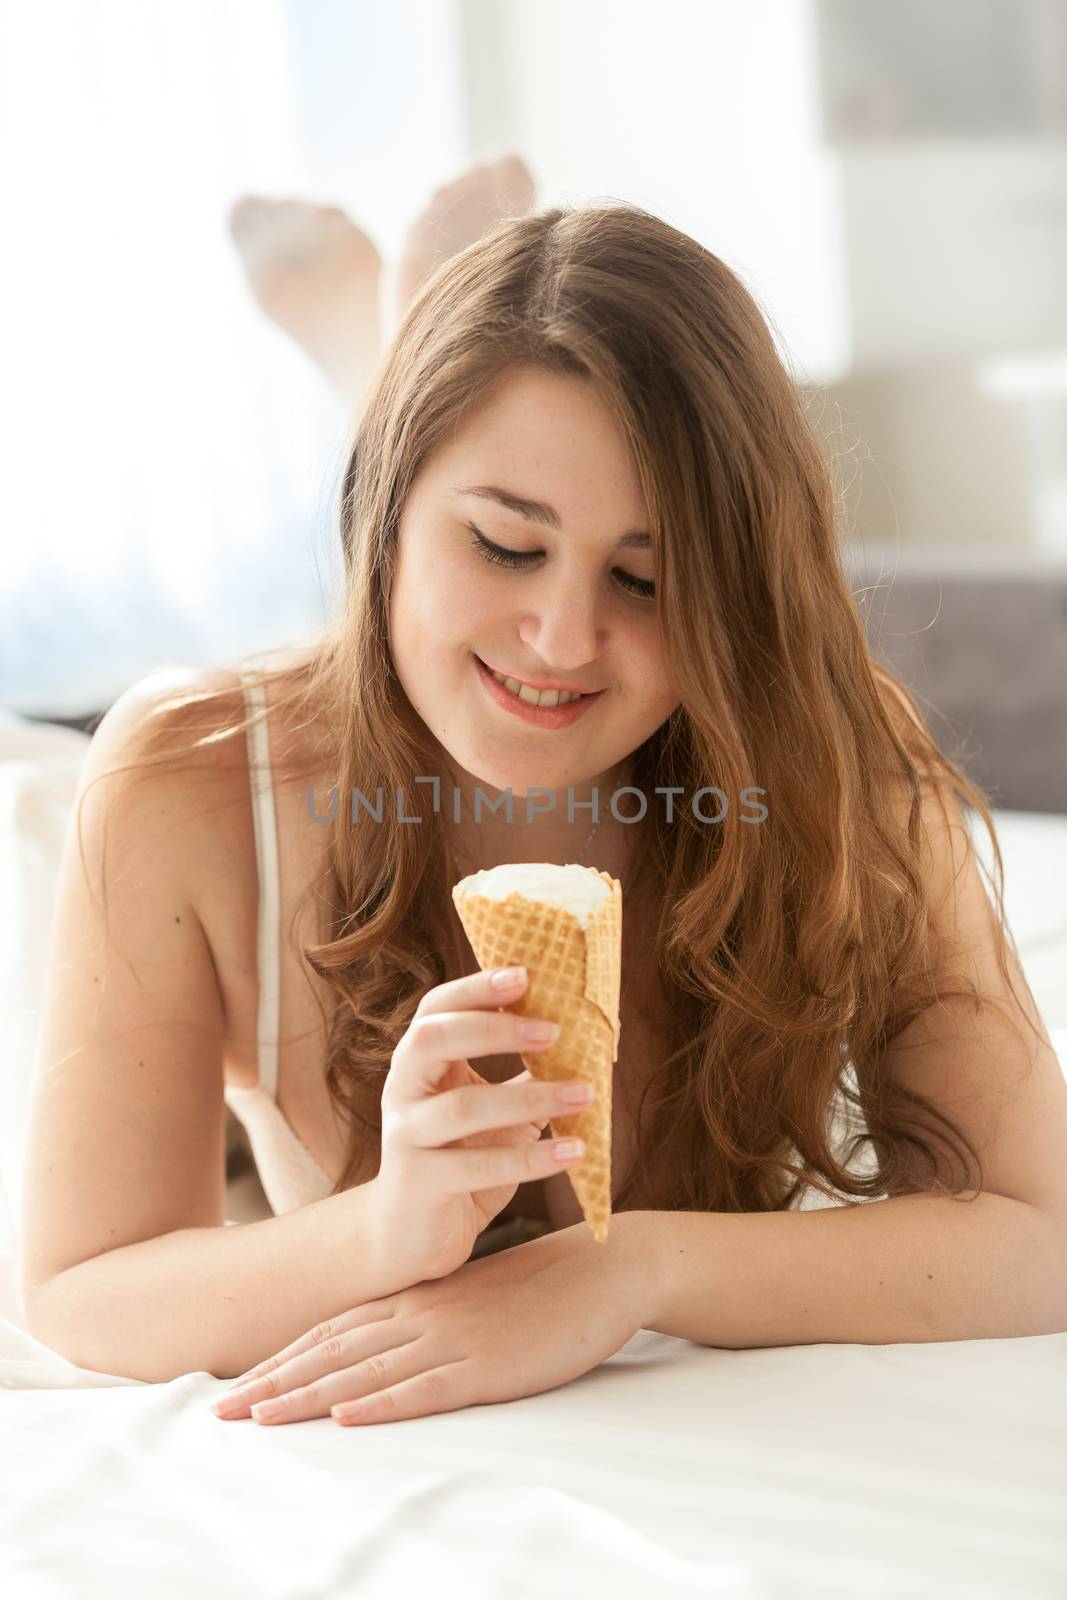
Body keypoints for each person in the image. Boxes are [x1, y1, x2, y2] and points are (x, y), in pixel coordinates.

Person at [18, 155, 1066, 1405]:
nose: (563, 639)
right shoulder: (186, 779)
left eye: (645, 578)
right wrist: (380, 1230)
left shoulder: (830, 764)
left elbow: (1041, 1235)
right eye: (504, 544)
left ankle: (404, 348)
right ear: (386, 511)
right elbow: (82, 1286)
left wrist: (628, 1269)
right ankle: (379, 341)